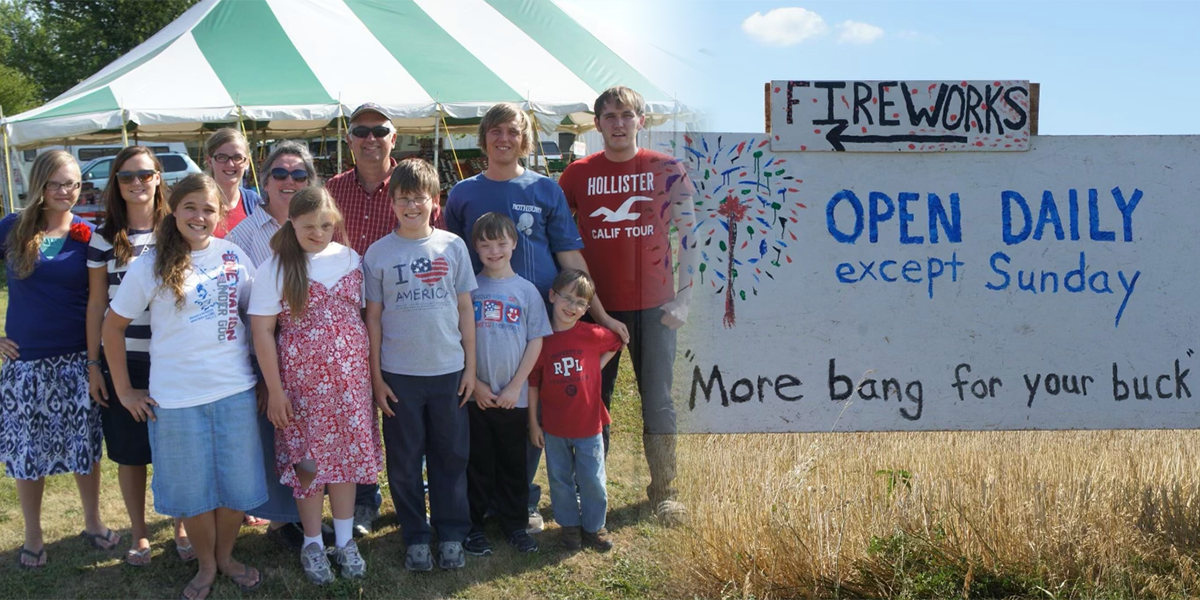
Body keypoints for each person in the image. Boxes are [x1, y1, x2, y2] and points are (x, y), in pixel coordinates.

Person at [445, 102, 628, 534]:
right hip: (483, 321)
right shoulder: (463, 193)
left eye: (512, 131)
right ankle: (485, 497)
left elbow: (569, 255)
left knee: (531, 403)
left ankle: (524, 496)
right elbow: (451, 256)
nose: (503, 139)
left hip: (541, 323)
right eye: (495, 131)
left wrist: (597, 313)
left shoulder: (545, 190)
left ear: (524, 139)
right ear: (484, 137)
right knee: (483, 404)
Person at [103, 173, 263, 600]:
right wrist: (124, 391)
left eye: (208, 209)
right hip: (176, 399)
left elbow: (257, 318)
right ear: (174, 210)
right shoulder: (151, 263)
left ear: (221, 213)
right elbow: (112, 328)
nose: (199, 216)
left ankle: (227, 557)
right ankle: (207, 565)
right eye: (190, 207)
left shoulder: (233, 256)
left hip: (235, 392)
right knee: (193, 493)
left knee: (237, 487)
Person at [557, 86, 699, 523]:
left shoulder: (667, 168)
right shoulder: (577, 174)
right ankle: (588, 491)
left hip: (655, 308)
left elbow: (691, 237)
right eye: (610, 116)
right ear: (597, 123)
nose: (618, 123)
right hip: (596, 309)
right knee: (591, 400)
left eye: (626, 115)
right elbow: (561, 239)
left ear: (641, 121)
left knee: (657, 399)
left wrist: (685, 298)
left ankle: (665, 490)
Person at [249, 187, 383, 584]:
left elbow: (364, 315)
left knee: (343, 463)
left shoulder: (351, 259)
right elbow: (262, 332)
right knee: (307, 464)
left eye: (326, 225)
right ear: (292, 222)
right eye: (309, 226)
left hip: (349, 386)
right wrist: (274, 390)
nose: (319, 233)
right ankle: (311, 542)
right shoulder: (276, 267)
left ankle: (344, 541)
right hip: (302, 390)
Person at [0, 150, 119, 570]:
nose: (66, 192)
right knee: (27, 454)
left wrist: (92, 363)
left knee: (84, 449)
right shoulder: (12, 228)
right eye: (56, 184)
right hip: (25, 362)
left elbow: (96, 303)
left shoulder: (89, 234)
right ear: (39, 186)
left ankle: (92, 521)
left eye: (72, 184)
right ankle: (33, 535)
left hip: (76, 360)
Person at [365, 158, 476, 571]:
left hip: (449, 371)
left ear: (435, 201)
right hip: (399, 376)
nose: (411, 206)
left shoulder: (452, 246)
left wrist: (471, 368)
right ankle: (415, 535)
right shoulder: (378, 253)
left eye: (420, 198)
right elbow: (373, 318)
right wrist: (377, 378)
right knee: (406, 460)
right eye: (403, 199)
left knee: (451, 458)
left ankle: (450, 534)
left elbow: (465, 309)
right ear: (391, 202)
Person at [84, 146, 191, 566]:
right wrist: (95, 364)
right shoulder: (103, 237)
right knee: (130, 454)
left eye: (144, 175)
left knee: (176, 449)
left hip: (171, 358)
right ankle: (140, 533)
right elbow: (96, 305)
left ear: (158, 177)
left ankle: (182, 526)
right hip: (122, 360)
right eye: (126, 177)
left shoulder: (176, 229)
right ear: (116, 183)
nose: (136, 183)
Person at [228, 141, 324, 549]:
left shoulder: (321, 227)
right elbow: (243, 312)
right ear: (263, 181)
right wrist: (267, 378)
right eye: (280, 174)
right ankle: (283, 521)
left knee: (313, 440)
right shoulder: (244, 236)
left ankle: (313, 519)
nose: (289, 182)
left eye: (299, 174)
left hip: (317, 360)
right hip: (267, 355)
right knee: (278, 440)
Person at [326, 102, 399, 534]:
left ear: (395, 137)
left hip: (403, 317)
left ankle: (417, 495)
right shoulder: (333, 189)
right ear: (350, 139)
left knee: (403, 408)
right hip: (349, 323)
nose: (370, 138)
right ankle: (366, 499)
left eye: (379, 130)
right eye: (361, 131)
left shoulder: (413, 185)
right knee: (357, 414)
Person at [463, 213, 550, 557]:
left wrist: (516, 386)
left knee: (514, 467)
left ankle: (515, 525)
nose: (494, 250)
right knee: (478, 465)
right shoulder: (468, 289)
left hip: (513, 399)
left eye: (501, 243)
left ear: (514, 244)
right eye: (485, 244)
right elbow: (457, 339)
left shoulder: (526, 291)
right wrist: (476, 385)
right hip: (477, 398)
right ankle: (474, 528)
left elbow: (535, 341)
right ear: (476, 247)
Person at [528, 269, 622, 552]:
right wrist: (534, 423)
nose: (572, 307)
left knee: (592, 479)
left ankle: (594, 527)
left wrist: (597, 366)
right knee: (560, 479)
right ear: (552, 296)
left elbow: (617, 342)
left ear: (586, 309)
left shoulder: (592, 334)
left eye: (581, 303)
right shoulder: (541, 339)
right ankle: (569, 527)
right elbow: (533, 383)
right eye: (567, 299)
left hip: (589, 425)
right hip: (555, 427)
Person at [205, 128, 262, 238]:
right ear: (209, 161)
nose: (230, 164)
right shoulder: (196, 202)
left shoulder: (254, 203)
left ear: (247, 163)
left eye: (237, 158)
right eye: (222, 157)